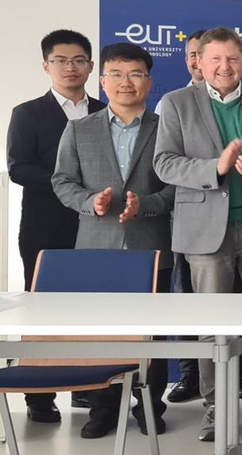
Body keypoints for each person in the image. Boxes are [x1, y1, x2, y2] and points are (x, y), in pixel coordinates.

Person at [153, 27, 242, 442]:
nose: (223, 67)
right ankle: (216, 407)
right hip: (204, 231)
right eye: (213, 59)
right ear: (198, 61)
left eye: (232, 59)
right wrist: (215, 167)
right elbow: (164, 163)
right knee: (212, 324)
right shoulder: (176, 103)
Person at [52, 42, 174, 438]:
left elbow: (179, 186)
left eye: (136, 74)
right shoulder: (78, 128)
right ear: (102, 80)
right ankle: (102, 409)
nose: (126, 83)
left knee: (150, 335)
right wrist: (90, 201)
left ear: (149, 82)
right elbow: (62, 181)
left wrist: (148, 204)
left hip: (151, 245)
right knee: (99, 333)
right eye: (117, 74)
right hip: (96, 249)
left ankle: (151, 407)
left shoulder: (167, 128)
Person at [7, 29, 105, 422]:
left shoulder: (105, 109)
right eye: (61, 61)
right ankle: (39, 396)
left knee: (94, 311)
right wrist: (72, 186)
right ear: (46, 65)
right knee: (43, 313)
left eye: (79, 60)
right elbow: (18, 168)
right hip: (45, 226)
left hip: (98, 226)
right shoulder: (28, 112)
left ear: (91, 66)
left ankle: (88, 388)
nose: (71, 67)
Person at [157, 28, 207, 404]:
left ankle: (236, 379)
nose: (198, 60)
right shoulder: (171, 104)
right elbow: (166, 165)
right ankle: (191, 374)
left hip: (239, 223)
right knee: (190, 301)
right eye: (192, 54)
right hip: (186, 219)